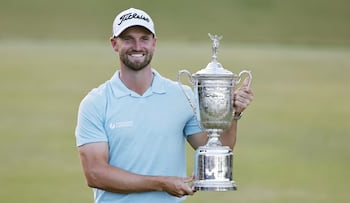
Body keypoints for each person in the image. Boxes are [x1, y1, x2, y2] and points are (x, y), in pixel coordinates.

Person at [75, 7, 254, 203]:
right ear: (114, 44)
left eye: (144, 38)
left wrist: (233, 115)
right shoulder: (96, 102)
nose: (137, 46)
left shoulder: (181, 95)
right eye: (128, 38)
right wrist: (161, 183)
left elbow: (219, 147)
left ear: (154, 43)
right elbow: (95, 174)